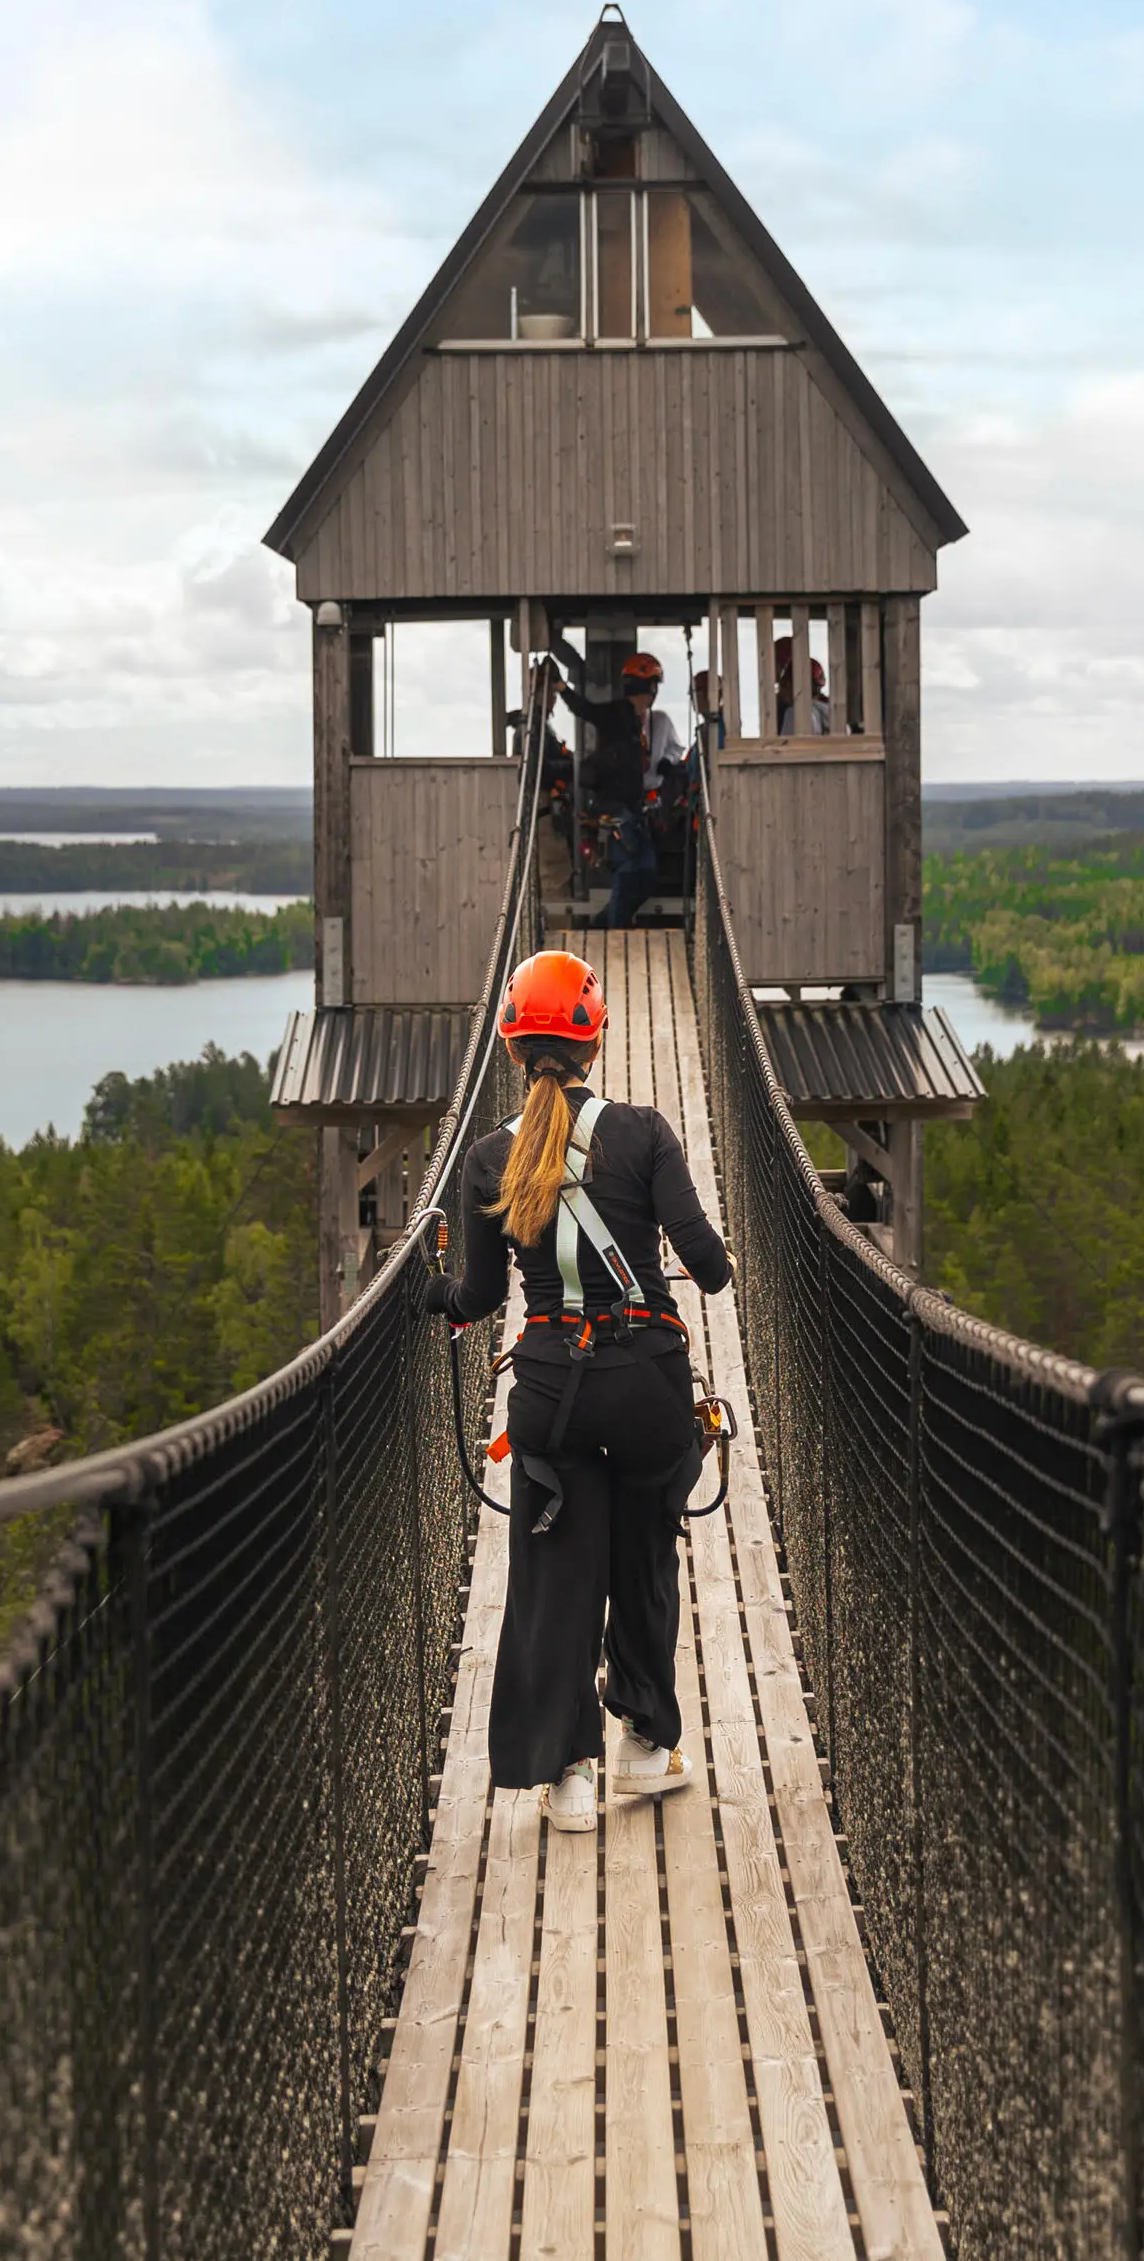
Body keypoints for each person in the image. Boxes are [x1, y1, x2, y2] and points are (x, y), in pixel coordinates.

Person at [428, 948, 734, 1831]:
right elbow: (708, 1268)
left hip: (552, 1390)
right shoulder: (643, 1132)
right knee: (644, 1553)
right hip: (646, 1386)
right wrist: (712, 1261)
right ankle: (644, 1743)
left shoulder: (489, 1158)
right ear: (595, 1038)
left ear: (513, 1047)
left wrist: (435, 1295)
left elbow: (481, 1299)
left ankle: (568, 1776)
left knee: (555, 1570)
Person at [581, 653, 682, 928]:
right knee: (626, 871)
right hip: (617, 808)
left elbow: (675, 750)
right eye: (636, 690)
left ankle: (599, 927)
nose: (642, 697)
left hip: (647, 808)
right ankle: (613, 933)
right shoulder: (617, 723)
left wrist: (668, 764)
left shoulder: (660, 722)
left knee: (647, 873)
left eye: (646, 690)